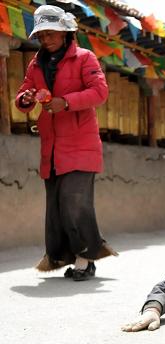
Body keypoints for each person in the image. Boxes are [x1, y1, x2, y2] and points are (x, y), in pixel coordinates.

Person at [15, 5, 116, 280]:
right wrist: (24, 100)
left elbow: (100, 92)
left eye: (52, 34)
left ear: (65, 33)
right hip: (51, 147)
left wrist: (67, 102)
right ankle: (67, 256)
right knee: (58, 206)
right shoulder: (35, 64)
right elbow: (25, 91)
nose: (46, 40)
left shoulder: (85, 58)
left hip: (81, 143)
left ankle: (86, 259)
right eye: (42, 35)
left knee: (75, 202)